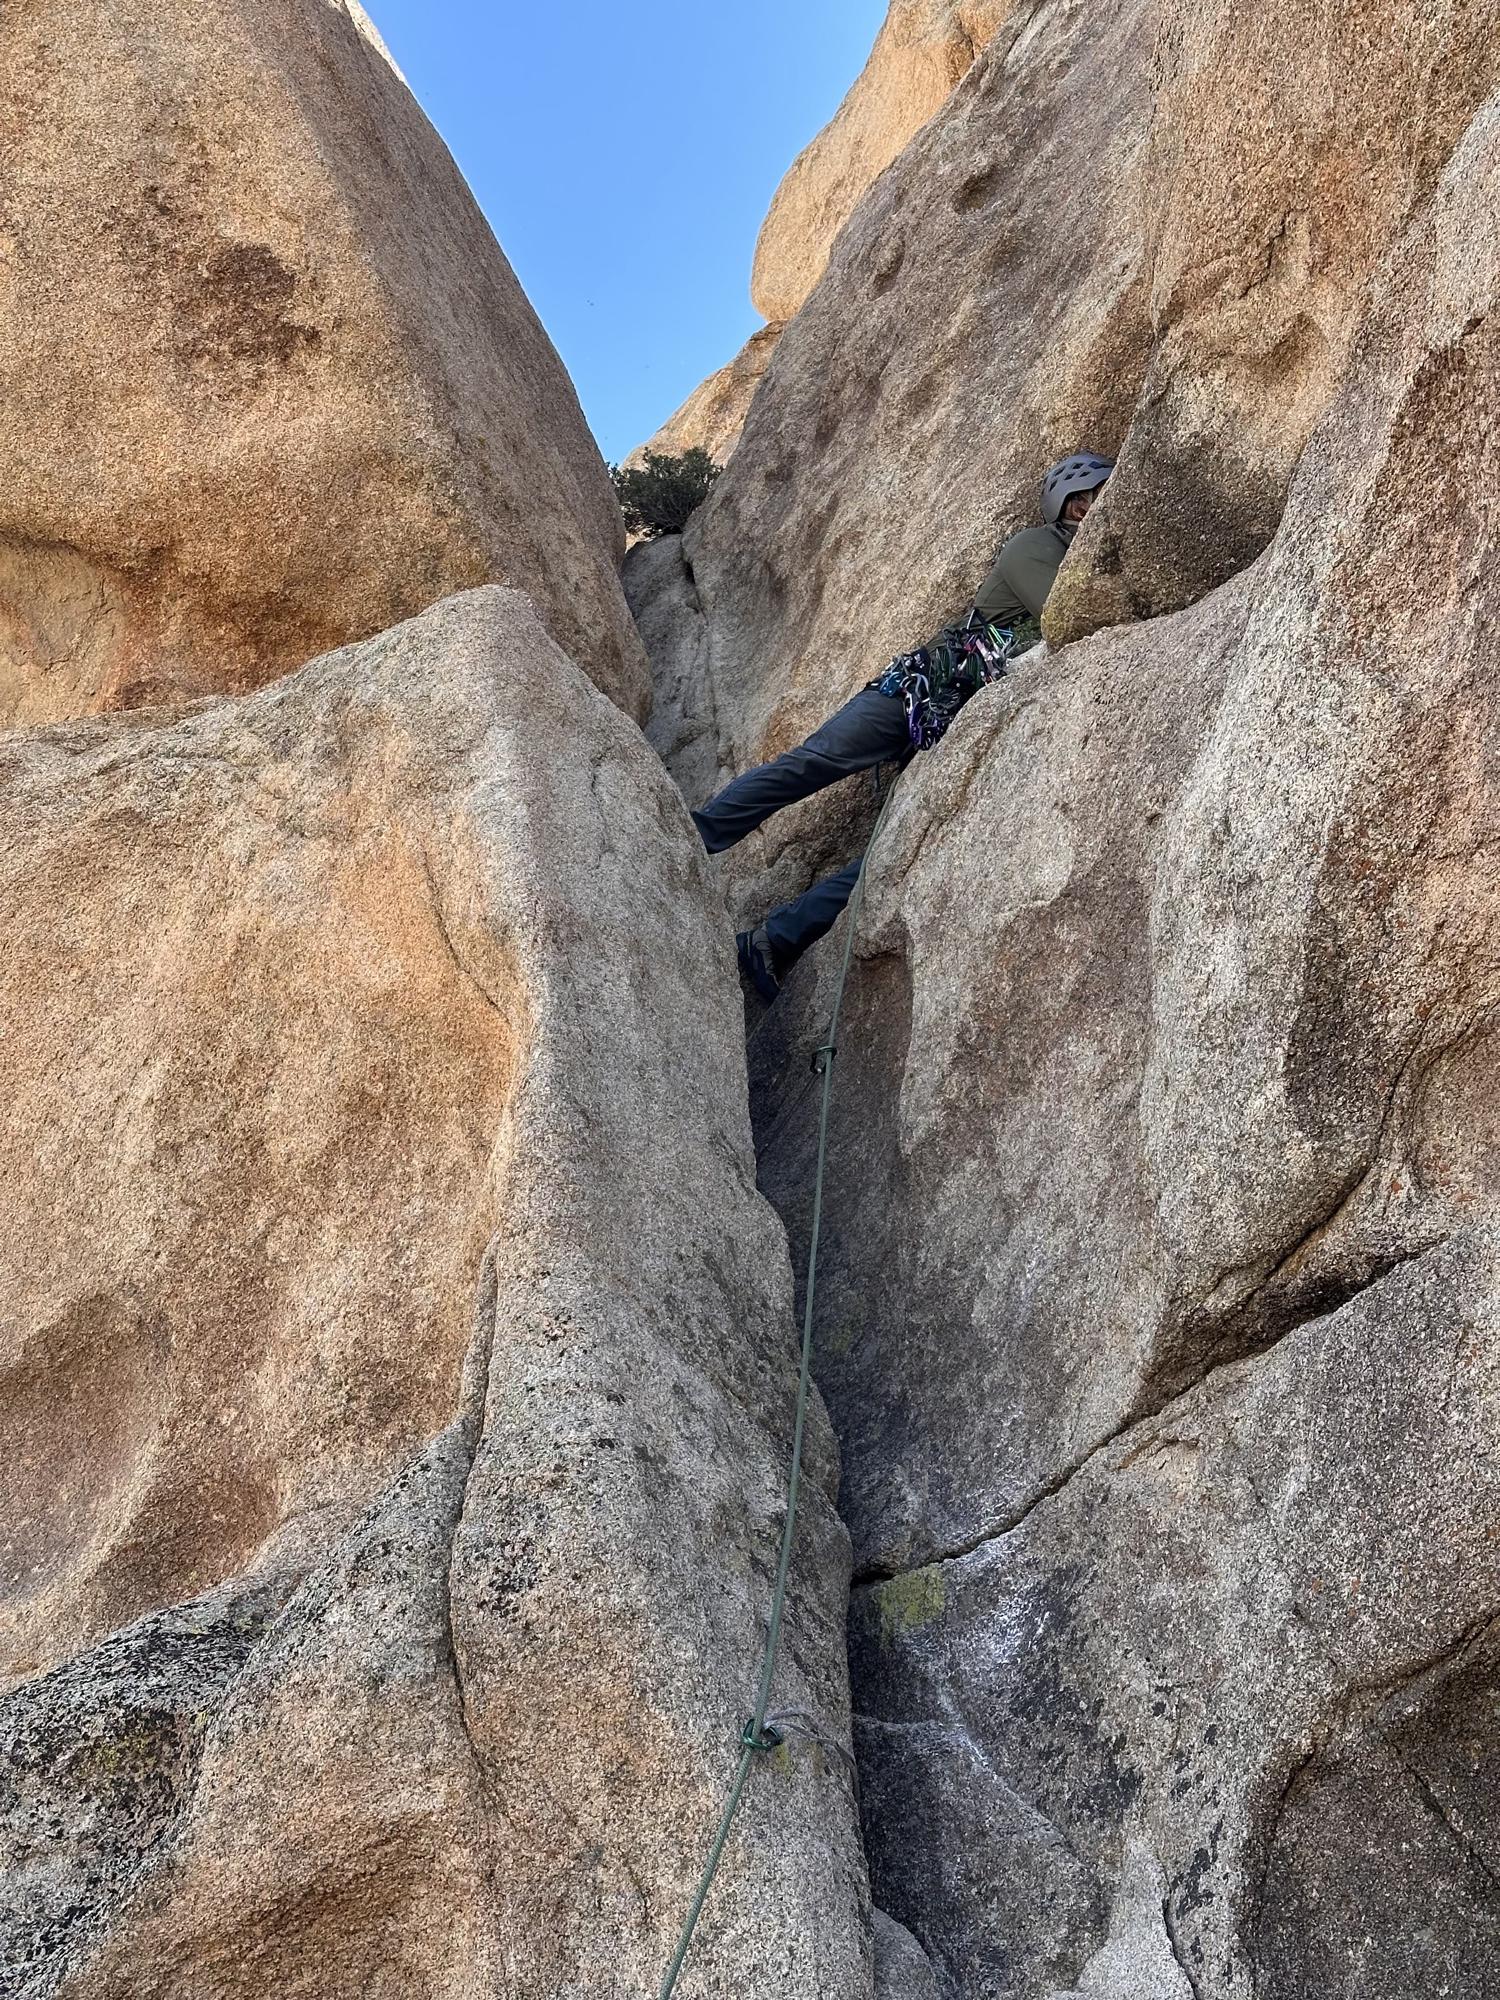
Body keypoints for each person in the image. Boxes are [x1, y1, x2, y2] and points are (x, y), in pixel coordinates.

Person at [693, 452, 1115, 1001]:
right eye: (1080, 501)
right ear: (1063, 510)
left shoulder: (1088, 559)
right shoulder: (1034, 548)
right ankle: (697, 835)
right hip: (916, 692)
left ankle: (773, 940)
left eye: (1098, 496)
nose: (1090, 510)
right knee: (818, 758)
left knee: (895, 857)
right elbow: (1065, 614)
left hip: (962, 724)